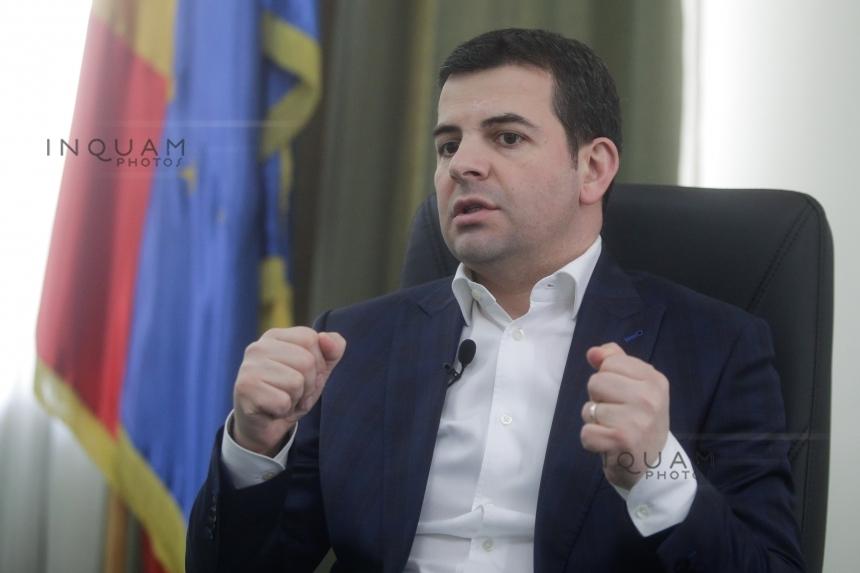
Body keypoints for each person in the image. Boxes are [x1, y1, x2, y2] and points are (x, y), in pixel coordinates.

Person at [187, 28, 804, 572]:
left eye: (507, 137)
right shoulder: (349, 345)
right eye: (448, 145)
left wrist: (657, 472)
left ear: (593, 168)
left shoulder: (717, 346)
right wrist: (255, 445)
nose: (463, 165)